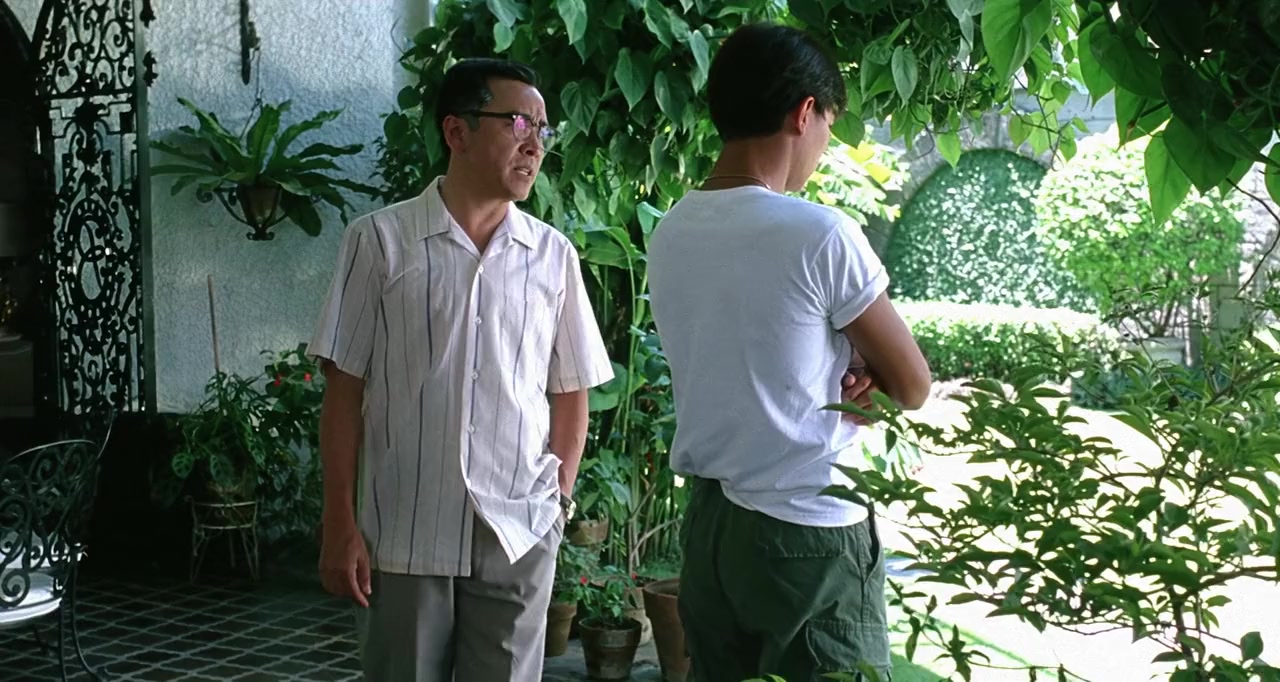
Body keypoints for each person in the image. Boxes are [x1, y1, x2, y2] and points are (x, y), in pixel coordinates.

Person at [307, 57, 613, 682]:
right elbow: (344, 391)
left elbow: (571, 390)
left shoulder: (552, 256)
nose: (535, 145)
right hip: (406, 531)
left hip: (518, 532)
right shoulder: (379, 242)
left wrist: (557, 503)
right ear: (457, 131)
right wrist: (339, 520)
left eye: (543, 130)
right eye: (518, 123)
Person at [647, 23, 933, 682]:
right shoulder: (819, 233)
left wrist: (847, 366)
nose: (822, 149)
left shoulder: (673, 231)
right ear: (804, 113)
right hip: (809, 530)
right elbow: (914, 385)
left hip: (712, 528)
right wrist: (867, 370)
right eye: (828, 127)